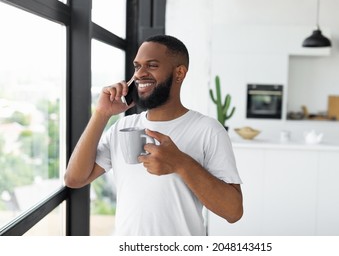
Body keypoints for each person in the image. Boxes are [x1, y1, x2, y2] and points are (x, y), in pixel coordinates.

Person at [64, 34, 243, 235]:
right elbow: (74, 179)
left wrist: (181, 163)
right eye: (137, 66)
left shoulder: (208, 130)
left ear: (179, 73)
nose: (140, 74)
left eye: (152, 65)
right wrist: (101, 114)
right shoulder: (123, 127)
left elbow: (233, 212)